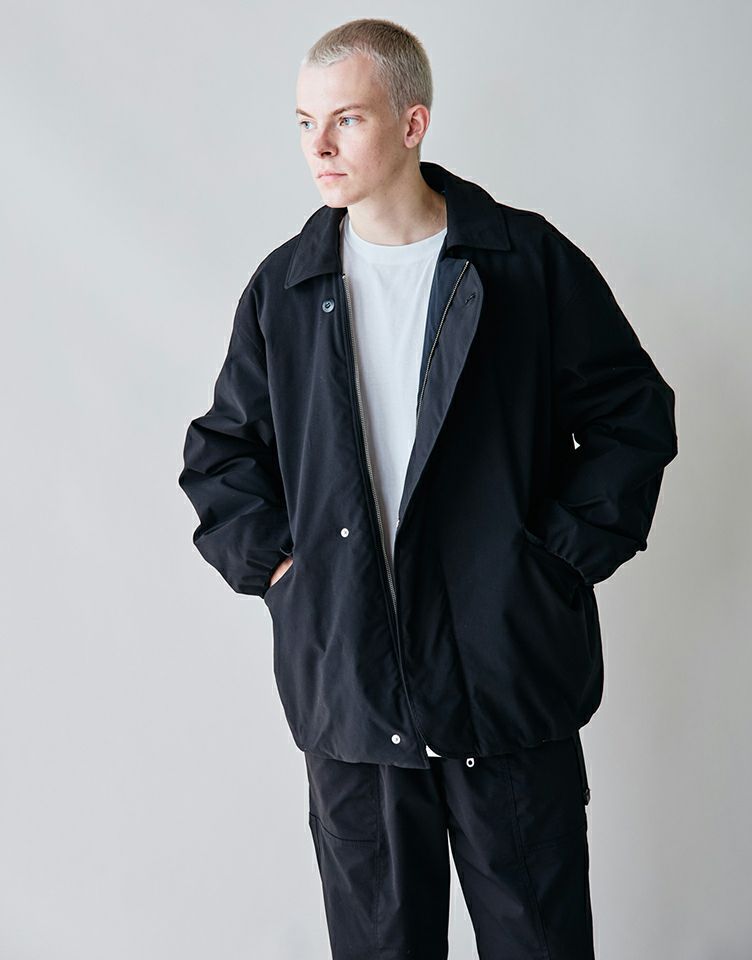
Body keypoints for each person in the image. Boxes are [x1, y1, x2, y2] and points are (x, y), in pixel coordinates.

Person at [178, 17, 678, 960]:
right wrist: (288, 575)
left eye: (347, 119)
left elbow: (631, 418)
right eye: (304, 123)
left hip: (506, 682)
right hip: (355, 700)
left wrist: (550, 565)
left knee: (538, 945)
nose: (319, 147)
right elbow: (222, 456)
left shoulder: (523, 262)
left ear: (413, 123)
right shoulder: (285, 289)